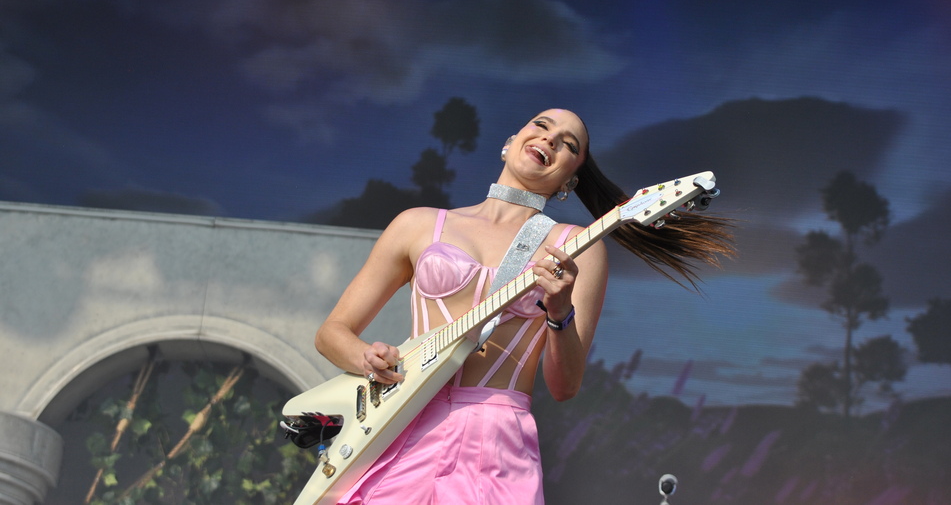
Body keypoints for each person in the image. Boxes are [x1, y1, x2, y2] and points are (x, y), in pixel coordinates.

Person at [313, 108, 733, 504]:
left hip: (494, 441)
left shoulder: (579, 248)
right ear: (512, 140)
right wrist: (369, 358)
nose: (549, 139)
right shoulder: (417, 224)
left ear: (572, 177)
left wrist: (559, 309)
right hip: (398, 425)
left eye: (568, 144)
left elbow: (564, 386)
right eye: (541, 125)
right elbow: (333, 333)